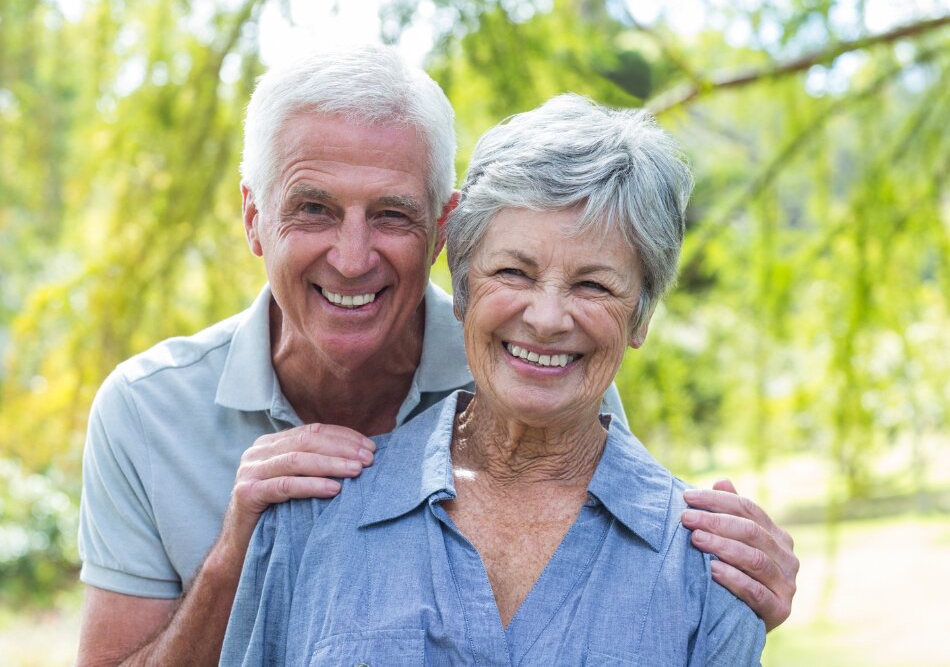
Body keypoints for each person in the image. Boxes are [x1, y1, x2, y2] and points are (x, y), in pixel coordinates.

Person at [77, 48, 797, 666]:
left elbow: (614, 555)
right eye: (314, 209)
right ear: (253, 219)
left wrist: (739, 578)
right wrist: (237, 550)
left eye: (390, 213)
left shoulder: (544, 374)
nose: (353, 257)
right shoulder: (149, 413)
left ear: (442, 234)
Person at [221, 93, 766, 665]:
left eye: (594, 286)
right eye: (513, 272)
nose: (548, 318)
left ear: (641, 316)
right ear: (461, 289)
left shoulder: (712, 567)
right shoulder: (307, 519)